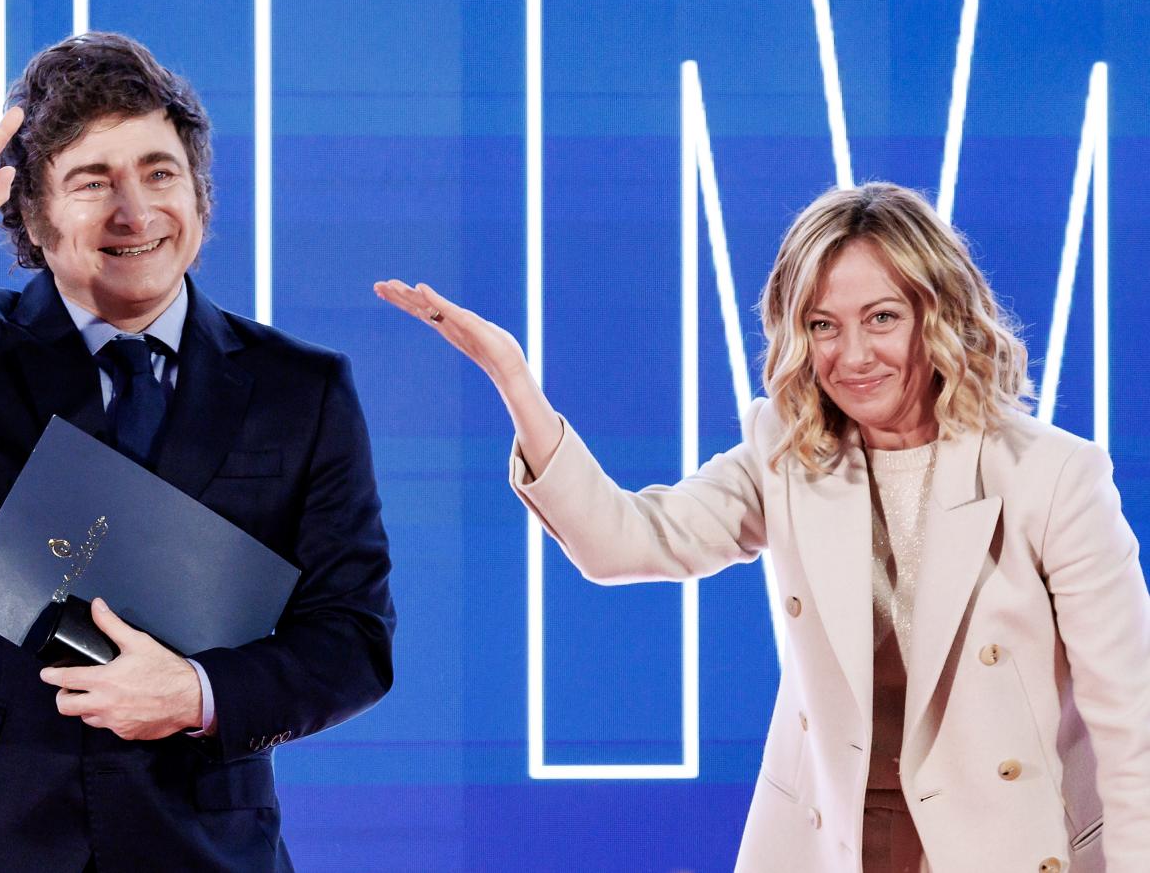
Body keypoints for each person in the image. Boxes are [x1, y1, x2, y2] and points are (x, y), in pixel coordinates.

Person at [376, 182, 1150, 872]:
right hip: (837, 844)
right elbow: (623, 542)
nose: (853, 355)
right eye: (823, 324)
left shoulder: (1054, 475)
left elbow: (1131, 719)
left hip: (1003, 842)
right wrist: (515, 381)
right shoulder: (787, 454)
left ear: (939, 315)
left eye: (882, 317)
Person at [0, 32, 395, 872]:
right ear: (32, 216)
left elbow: (352, 640)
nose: (135, 212)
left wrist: (196, 694)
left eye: (160, 173)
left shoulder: (303, 387)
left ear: (201, 196)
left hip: (198, 841)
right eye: (93, 182)